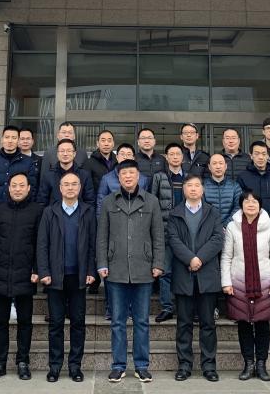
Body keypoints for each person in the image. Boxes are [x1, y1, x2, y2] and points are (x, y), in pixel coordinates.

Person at [97, 159, 164, 383]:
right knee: (117, 321)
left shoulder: (151, 201)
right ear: (118, 177)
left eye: (131, 173)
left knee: (141, 321)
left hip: (143, 268)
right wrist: (102, 263)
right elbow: (102, 236)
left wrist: (158, 263)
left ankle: (142, 365)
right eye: (123, 173)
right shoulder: (109, 201)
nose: (128, 176)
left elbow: (158, 236)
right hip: (115, 268)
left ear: (138, 176)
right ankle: (118, 366)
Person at [36, 171, 97, 383]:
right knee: (56, 324)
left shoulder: (88, 211)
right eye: (66, 184)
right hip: (55, 277)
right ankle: (54, 367)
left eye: (74, 184)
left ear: (80, 188)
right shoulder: (49, 212)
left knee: (78, 323)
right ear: (60, 188)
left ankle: (75, 366)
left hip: (79, 276)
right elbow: (42, 244)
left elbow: (92, 245)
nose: (70, 188)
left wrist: (91, 271)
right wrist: (44, 272)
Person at [0, 172, 44, 381]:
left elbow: (40, 243)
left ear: (28, 188)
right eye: (14, 185)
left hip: (26, 274)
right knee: (0, 322)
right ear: (8, 188)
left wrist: (37, 269)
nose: (17, 189)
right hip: (0, 274)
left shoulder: (37, 211)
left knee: (25, 322)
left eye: (21, 185)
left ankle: (23, 361)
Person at [165, 175, 224, 382]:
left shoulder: (212, 212)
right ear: (184, 189)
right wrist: (190, 258)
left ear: (202, 189)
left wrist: (200, 258)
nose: (193, 189)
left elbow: (218, 238)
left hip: (207, 276)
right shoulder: (175, 214)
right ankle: (184, 365)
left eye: (197, 185)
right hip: (184, 275)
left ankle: (209, 366)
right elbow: (173, 240)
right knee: (184, 324)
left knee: (208, 324)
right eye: (189, 185)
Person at [0, 124, 38, 320]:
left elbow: (33, 189)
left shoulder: (28, 163)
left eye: (14, 137)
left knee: (16, 256)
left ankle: (12, 303)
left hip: (21, 216)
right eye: (7, 137)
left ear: (19, 140)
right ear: (2, 139)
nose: (10, 141)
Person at [221, 191, 270, 382]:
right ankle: (248, 363)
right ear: (241, 205)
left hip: (264, 283)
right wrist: (226, 282)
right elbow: (227, 256)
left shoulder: (269, 227)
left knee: (263, 323)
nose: (250, 204)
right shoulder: (232, 227)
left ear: (260, 205)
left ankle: (261, 364)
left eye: (254, 201)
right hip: (239, 282)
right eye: (247, 201)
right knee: (244, 324)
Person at [238, 142, 270, 322]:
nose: (260, 157)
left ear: (268, 156)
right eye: (257, 153)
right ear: (251, 155)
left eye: (263, 153)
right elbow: (240, 203)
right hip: (249, 229)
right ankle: (248, 308)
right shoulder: (243, 177)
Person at [150, 143, 185, 322]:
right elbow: (152, 202)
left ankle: (186, 308)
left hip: (185, 231)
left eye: (178, 153)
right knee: (165, 271)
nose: (175, 157)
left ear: (182, 157)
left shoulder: (189, 177)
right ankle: (167, 307)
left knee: (186, 271)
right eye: (171, 154)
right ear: (166, 157)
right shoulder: (159, 177)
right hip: (164, 230)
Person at [38, 137, 95, 206]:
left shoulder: (84, 175)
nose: (65, 154)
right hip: (53, 212)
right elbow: (42, 202)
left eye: (69, 151)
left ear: (74, 154)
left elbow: (90, 201)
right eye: (62, 151)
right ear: (57, 154)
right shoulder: (48, 176)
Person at [96, 143, 151, 211]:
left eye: (128, 154)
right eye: (122, 154)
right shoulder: (106, 179)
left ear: (133, 158)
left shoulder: (143, 179)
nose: (125, 157)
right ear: (117, 157)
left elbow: (147, 204)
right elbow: (100, 203)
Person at [204, 153, 241, 228]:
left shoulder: (235, 186)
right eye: (214, 163)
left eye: (221, 163)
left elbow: (238, 207)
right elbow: (201, 209)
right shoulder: (202, 186)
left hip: (230, 228)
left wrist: (226, 225)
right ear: (209, 167)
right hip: (209, 229)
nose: (218, 166)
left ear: (226, 166)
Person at [83, 129, 118, 194]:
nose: (106, 144)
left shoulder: (118, 162)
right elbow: (86, 188)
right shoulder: (89, 163)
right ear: (97, 143)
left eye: (109, 141)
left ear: (113, 144)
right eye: (103, 140)